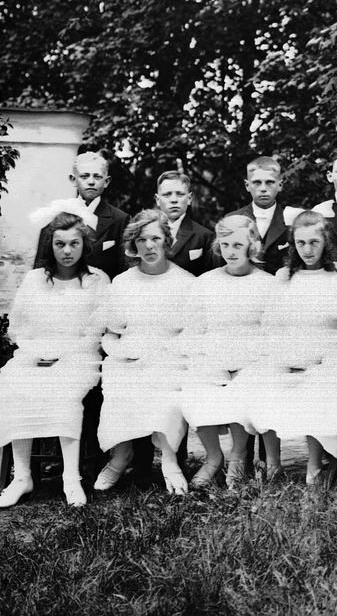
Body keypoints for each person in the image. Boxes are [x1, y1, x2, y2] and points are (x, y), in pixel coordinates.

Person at [0, 206, 109, 508]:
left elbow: (96, 330)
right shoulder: (36, 279)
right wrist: (36, 353)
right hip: (35, 356)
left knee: (63, 390)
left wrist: (61, 355)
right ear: (51, 245)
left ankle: (70, 478)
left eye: (74, 243)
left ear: (83, 244)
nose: (67, 251)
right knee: (12, 383)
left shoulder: (97, 280)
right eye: (60, 244)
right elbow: (19, 326)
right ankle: (21, 476)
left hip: (79, 357)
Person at [93, 209, 195, 494]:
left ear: (167, 240)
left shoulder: (185, 282)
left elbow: (191, 333)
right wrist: (120, 352)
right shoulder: (122, 283)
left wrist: (162, 352)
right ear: (133, 244)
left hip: (169, 356)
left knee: (167, 386)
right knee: (119, 382)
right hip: (129, 355)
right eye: (141, 240)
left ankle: (169, 460)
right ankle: (121, 455)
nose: (149, 246)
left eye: (155, 238)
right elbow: (111, 330)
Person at [247, 211, 337, 484]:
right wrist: (284, 358)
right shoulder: (284, 276)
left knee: (317, 390)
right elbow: (271, 324)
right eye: (301, 243)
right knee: (261, 382)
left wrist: (323, 358)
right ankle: (273, 463)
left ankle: (315, 466)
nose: (308, 250)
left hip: (328, 358)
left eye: (314, 242)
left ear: (326, 241)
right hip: (290, 355)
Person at [178, 214, 278, 488]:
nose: (231, 252)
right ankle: (213, 457)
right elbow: (193, 330)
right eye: (225, 245)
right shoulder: (205, 283)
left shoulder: (268, 284)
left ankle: (238, 454)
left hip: (253, 362)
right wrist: (207, 360)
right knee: (194, 386)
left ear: (251, 246)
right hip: (212, 359)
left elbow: (273, 333)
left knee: (245, 387)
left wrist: (248, 363)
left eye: (237, 245)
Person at [36, 151, 129, 280]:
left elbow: (123, 269)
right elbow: (41, 266)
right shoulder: (56, 214)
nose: (91, 182)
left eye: (97, 177)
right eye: (84, 176)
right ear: (73, 179)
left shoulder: (119, 219)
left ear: (106, 181)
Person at [231, 156, 302, 276]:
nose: (263, 189)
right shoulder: (232, 220)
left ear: (280, 185)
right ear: (247, 185)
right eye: (257, 182)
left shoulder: (294, 219)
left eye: (269, 182)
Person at [156, 171, 216, 276]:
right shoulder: (144, 233)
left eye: (180, 194)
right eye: (167, 194)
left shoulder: (204, 236)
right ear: (157, 199)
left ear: (189, 199)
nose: (174, 200)